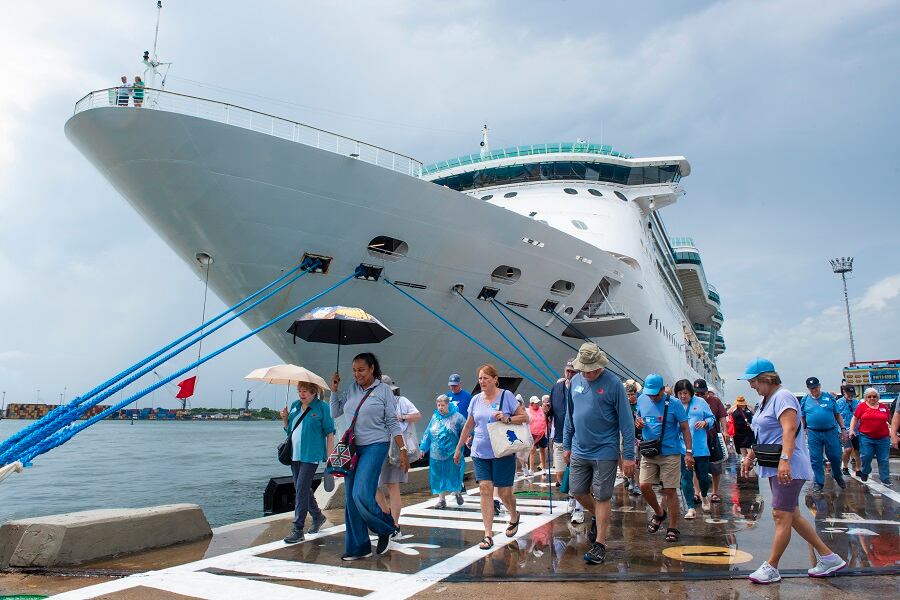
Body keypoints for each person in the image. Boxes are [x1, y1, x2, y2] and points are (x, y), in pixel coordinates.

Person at [737, 357, 846, 584]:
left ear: (766, 378)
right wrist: (750, 456)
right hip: (775, 464)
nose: (751, 385)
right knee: (793, 516)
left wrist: (785, 460)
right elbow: (763, 435)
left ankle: (772, 567)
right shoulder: (765, 400)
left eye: (754, 381)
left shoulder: (782, 397)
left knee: (781, 514)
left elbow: (789, 430)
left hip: (788, 466)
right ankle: (829, 557)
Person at [330, 353, 409, 561]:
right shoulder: (351, 389)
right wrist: (334, 390)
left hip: (376, 445)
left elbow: (392, 422)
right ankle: (359, 547)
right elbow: (335, 412)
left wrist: (402, 450)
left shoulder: (384, 391)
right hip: (353, 447)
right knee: (351, 499)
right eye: (354, 370)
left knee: (361, 494)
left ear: (372, 368)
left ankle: (386, 527)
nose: (357, 374)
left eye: (361, 370)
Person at [563, 343, 635, 564]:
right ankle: (598, 515)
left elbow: (627, 422)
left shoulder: (614, 384)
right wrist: (566, 444)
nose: (589, 373)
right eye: (585, 369)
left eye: (592, 368)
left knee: (603, 495)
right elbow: (569, 416)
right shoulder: (575, 382)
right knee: (577, 491)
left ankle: (600, 544)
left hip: (605, 449)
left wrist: (629, 455)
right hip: (579, 448)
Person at [453, 364, 525, 551]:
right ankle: (488, 534)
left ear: (495, 379)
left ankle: (514, 515)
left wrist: (507, 418)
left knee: (504, 493)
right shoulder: (476, 400)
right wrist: (459, 448)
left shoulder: (506, 396)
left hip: (502, 451)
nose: (482, 381)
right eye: (479, 378)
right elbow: (469, 425)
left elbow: (524, 417)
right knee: (485, 488)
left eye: (485, 378)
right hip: (480, 451)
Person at [635, 374, 693, 543]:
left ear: (663, 389)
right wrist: (638, 423)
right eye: (650, 394)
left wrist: (689, 452)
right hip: (649, 451)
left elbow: (685, 428)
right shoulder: (642, 400)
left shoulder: (674, 404)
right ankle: (660, 513)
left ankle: (673, 527)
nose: (653, 397)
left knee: (669, 490)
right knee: (644, 485)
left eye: (656, 394)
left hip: (670, 452)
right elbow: (638, 419)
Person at [280, 380, 335, 543]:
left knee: (301, 489)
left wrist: (329, 458)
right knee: (301, 487)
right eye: (299, 391)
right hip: (294, 454)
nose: (301, 394)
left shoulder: (322, 408)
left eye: (305, 391)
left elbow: (330, 434)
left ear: (313, 392)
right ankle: (317, 517)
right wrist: (284, 418)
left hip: (311, 454)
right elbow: (288, 429)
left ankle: (298, 529)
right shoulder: (296, 405)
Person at [375, 374, 421, 537]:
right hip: (379, 447)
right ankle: (387, 516)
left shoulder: (401, 401)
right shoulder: (376, 403)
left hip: (396, 447)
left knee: (393, 486)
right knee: (373, 485)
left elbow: (417, 415)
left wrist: (401, 417)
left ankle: (395, 524)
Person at [674, 379, 714, 519]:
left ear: (691, 392)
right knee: (686, 478)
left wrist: (705, 422)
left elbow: (711, 418)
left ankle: (704, 496)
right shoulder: (675, 404)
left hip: (700, 447)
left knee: (703, 477)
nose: (683, 396)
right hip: (683, 449)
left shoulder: (701, 402)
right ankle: (690, 507)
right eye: (680, 393)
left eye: (685, 393)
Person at [800, 376, 847, 492]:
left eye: (815, 387)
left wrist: (843, 428)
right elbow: (802, 416)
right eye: (811, 388)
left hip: (830, 431)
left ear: (819, 386)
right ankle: (819, 482)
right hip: (813, 432)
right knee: (816, 459)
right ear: (808, 388)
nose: (814, 390)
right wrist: (803, 429)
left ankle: (837, 475)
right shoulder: (805, 400)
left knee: (835, 456)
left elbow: (837, 414)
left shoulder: (829, 397)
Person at [419, 394, 466, 507]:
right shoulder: (434, 417)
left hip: (452, 453)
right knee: (438, 476)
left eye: (443, 405)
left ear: (448, 405)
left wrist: (468, 440)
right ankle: (441, 500)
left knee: (453, 474)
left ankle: (457, 492)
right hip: (436, 454)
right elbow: (428, 433)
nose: (440, 407)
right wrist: (423, 448)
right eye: (438, 405)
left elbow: (466, 431)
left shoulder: (457, 417)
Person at [849, 388, 892, 485]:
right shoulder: (861, 407)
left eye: (874, 396)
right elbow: (854, 419)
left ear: (878, 397)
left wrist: (892, 431)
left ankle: (885, 478)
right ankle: (865, 471)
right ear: (866, 398)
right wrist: (851, 430)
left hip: (883, 438)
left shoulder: (883, 407)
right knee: (866, 456)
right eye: (869, 396)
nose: (872, 398)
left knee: (884, 459)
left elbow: (889, 420)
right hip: (866, 437)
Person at [694, 379, 728, 503]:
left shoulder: (715, 401)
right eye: (697, 394)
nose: (700, 396)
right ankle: (696, 493)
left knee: (715, 466)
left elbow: (723, 417)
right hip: (697, 440)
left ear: (707, 392)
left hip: (712, 438)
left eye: (702, 394)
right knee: (696, 467)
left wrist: (725, 431)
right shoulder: (692, 402)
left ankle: (714, 492)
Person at [623, 380, 643, 496]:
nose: (630, 397)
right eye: (628, 394)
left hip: (640, 434)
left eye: (632, 394)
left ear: (636, 394)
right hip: (629, 437)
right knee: (632, 461)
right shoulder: (624, 406)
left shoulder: (640, 404)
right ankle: (632, 482)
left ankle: (637, 483)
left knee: (639, 461)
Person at [836, 385, 861, 476]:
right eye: (848, 393)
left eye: (852, 393)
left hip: (856, 430)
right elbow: (836, 416)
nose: (850, 395)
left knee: (857, 450)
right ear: (844, 392)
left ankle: (858, 469)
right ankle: (845, 467)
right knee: (848, 449)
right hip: (844, 430)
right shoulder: (838, 403)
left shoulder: (857, 402)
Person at [528, 396, 547, 474]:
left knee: (543, 450)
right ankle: (531, 469)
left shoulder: (542, 409)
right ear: (531, 404)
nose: (538, 404)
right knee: (532, 451)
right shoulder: (528, 411)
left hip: (542, 433)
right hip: (533, 434)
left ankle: (544, 468)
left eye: (538, 403)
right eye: (536, 403)